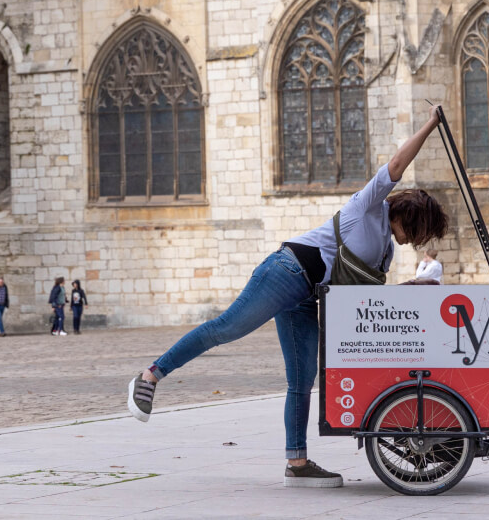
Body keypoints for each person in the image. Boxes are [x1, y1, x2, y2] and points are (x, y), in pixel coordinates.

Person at [126, 105, 449, 488]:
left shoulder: (386, 251)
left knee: (302, 377)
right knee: (226, 328)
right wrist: (431, 124)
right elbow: (397, 163)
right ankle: (150, 376)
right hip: (286, 271)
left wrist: (412, 288)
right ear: (409, 216)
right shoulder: (368, 206)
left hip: (306, 297)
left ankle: (296, 464)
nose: (416, 241)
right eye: (419, 230)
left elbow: (360, 301)